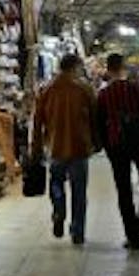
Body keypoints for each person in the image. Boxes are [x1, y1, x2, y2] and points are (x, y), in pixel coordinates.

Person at [96, 54, 139, 249]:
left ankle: (132, 235)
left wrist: (106, 147)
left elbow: (99, 124)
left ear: (108, 69)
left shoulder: (104, 95)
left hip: (117, 145)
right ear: (124, 67)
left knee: (124, 189)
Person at [33, 52, 97, 244]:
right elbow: (95, 118)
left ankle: (59, 210)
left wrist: (35, 147)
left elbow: (37, 122)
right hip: (79, 147)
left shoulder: (47, 89)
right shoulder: (84, 88)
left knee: (56, 183)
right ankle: (77, 232)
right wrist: (97, 141)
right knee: (79, 191)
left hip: (55, 147)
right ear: (75, 67)